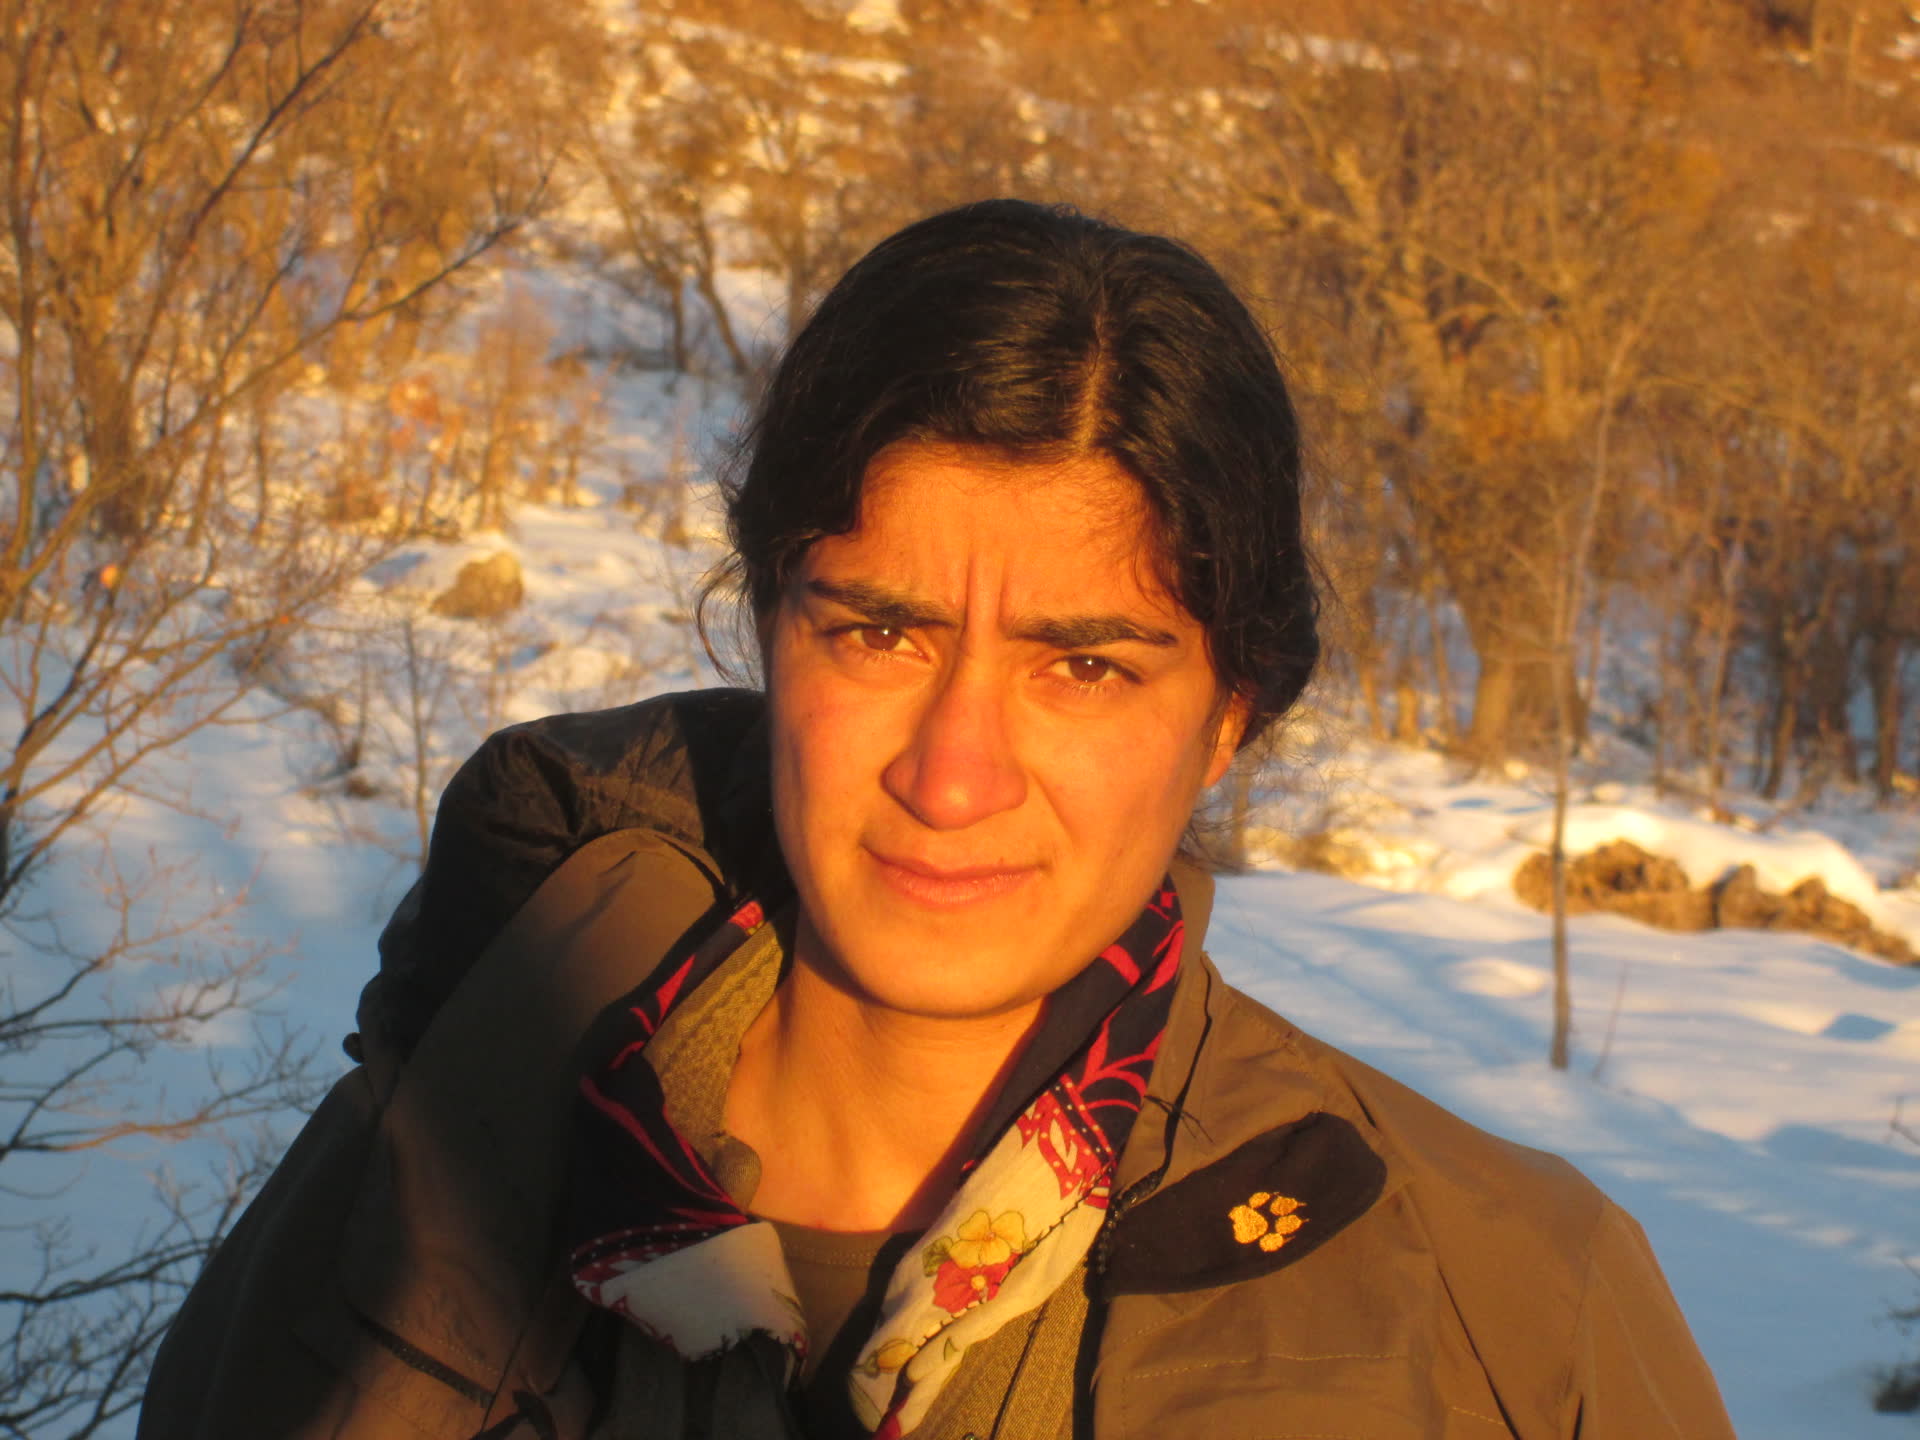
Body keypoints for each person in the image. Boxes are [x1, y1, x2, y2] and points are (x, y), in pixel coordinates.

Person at [140, 200, 1735, 1440]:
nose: (953, 774)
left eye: (1085, 667)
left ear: (1227, 718)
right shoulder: (428, 1166)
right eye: (882, 634)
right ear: (773, 632)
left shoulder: (1510, 1310)